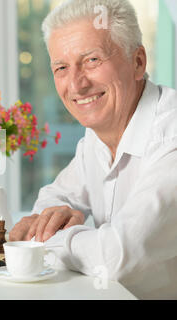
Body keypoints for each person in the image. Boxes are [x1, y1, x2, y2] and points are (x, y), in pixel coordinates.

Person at [10, 0, 177, 299]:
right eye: (61, 67)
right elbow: (50, 199)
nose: (76, 84)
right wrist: (58, 217)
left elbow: (116, 258)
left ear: (138, 62)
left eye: (92, 60)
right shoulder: (97, 137)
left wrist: (54, 237)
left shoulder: (170, 136)